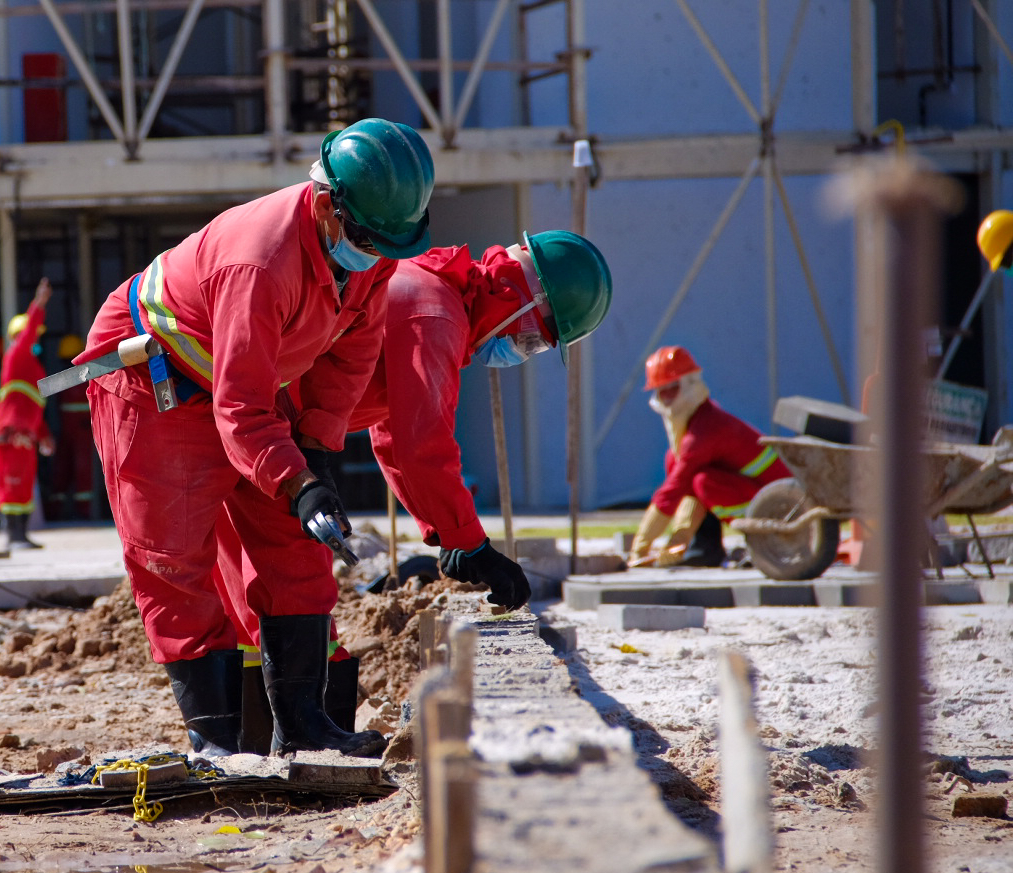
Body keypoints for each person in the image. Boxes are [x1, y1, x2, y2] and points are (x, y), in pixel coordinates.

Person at [81, 118, 434, 759]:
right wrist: (297, 481)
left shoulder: (367, 254)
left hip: (244, 378)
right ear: (328, 204)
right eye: (365, 238)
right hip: (154, 379)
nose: (376, 255)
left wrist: (317, 457)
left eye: (388, 245)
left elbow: (351, 358)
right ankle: (214, 739)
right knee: (174, 557)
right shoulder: (260, 261)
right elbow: (240, 411)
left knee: (296, 547)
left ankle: (303, 728)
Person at [216, 230, 612, 746]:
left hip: (252, 427)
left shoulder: (427, 291)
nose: (521, 351)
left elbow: (391, 437)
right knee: (294, 582)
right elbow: (423, 444)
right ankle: (303, 745)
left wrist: (445, 532)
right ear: (518, 297)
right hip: (268, 431)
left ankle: (261, 746)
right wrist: (470, 542)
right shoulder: (435, 314)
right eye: (533, 339)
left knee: (257, 593)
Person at [629, 346, 789, 568]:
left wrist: (640, 547)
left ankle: (763, 537)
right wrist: (677, 544)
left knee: (701, 481)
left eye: (672, 388)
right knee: (677, 463)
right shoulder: (700, 422)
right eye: (660, 390)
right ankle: (702, 547)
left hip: (780, 507)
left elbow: (673, 491)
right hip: (764, 494)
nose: (665, 398)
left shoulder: (705, 432)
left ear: (689, 385)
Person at [0, 278, 55, 549]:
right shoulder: (16, 356)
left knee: (25, 483)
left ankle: (21, 534)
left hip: (25, 434)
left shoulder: (33, 368)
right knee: (12, 482)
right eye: (33, 334)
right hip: (10, 434)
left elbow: (33, 408)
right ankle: (12, 535)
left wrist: (44, 436)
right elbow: (28, 331)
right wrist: (39, 303)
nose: (36, 338)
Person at [47, 334, 97, 520]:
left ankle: (79, 510)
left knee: (76, 469)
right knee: (70, 469)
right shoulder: (79, 377)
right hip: (74, 430)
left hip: (77, 430)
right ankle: (71, 509)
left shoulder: (78, 377)